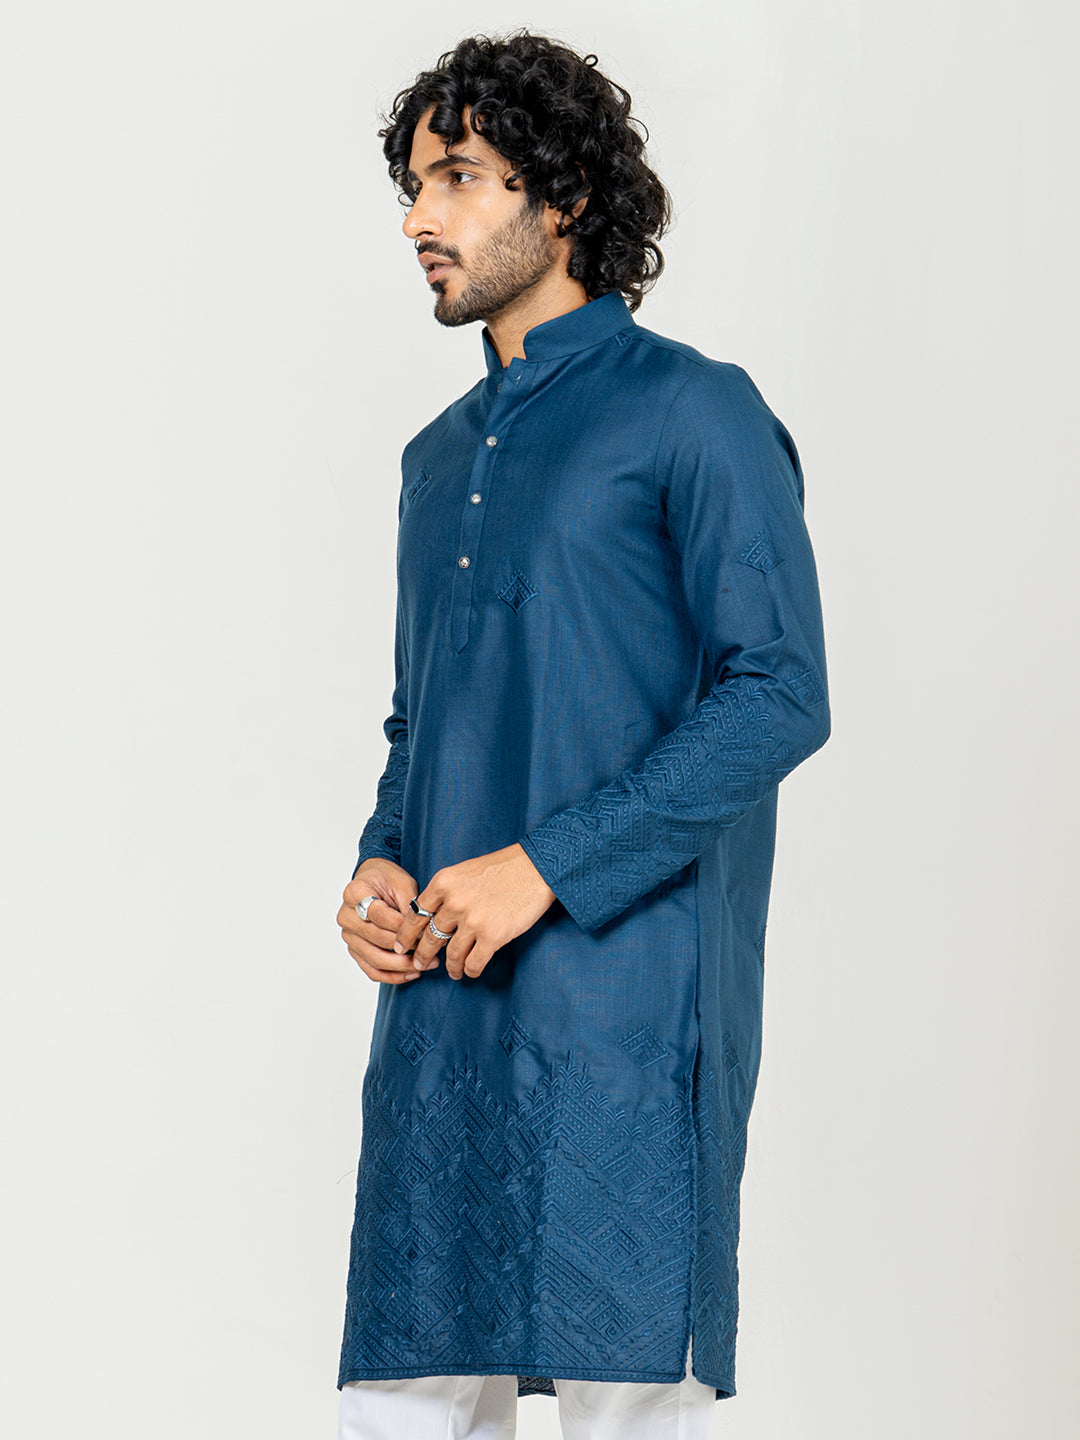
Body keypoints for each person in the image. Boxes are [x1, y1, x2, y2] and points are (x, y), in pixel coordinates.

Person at [335, 29, 831, 1440]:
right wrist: (381, 861)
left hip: (628, 1009)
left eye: (459, 176)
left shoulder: (694, 411)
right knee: (403, 1402)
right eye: (413, 186)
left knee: (627, 1406)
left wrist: (544, 866)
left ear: (564, 198)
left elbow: (779, 691)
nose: (420, 219)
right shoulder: (437, 457)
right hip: (445, 1007)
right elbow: (422, 718)